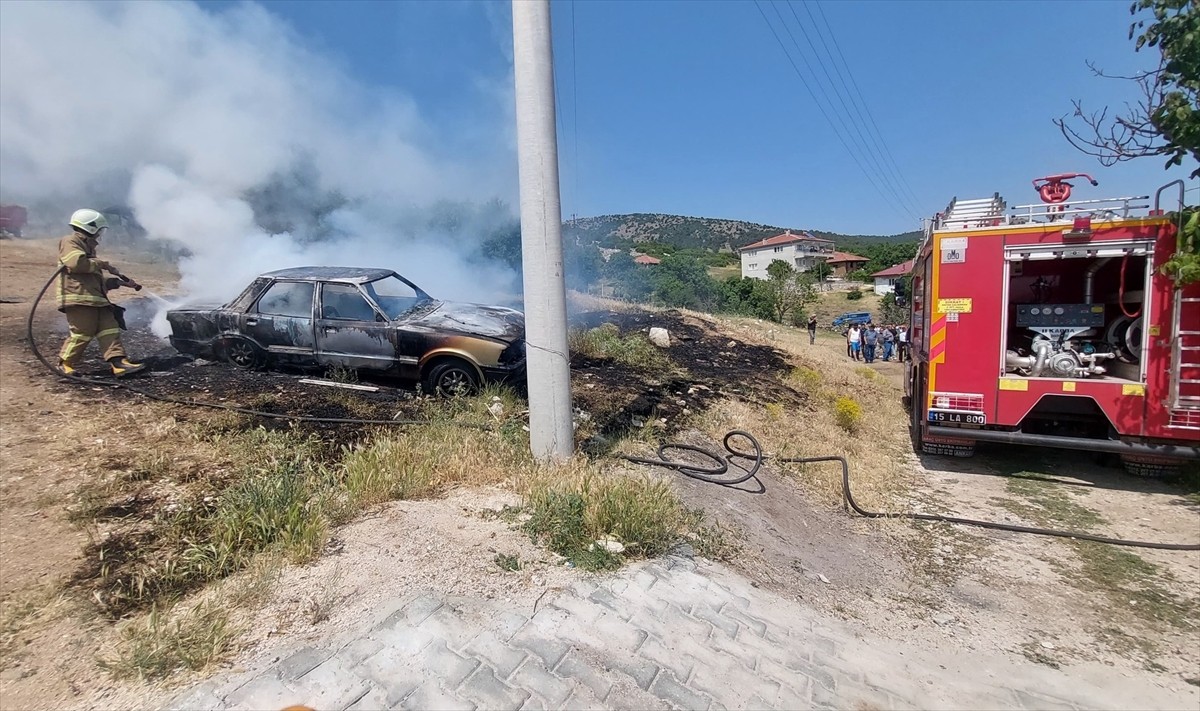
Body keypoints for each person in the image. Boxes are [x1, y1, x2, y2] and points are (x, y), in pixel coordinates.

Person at [57, 209, 145, 376]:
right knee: (83, 332)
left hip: (96, 300)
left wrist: (119, 282)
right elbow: (76, 264)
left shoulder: (89, 249)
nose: (100, 233)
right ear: (90, 227)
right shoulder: (70, 241)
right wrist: (103, 264)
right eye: (99, 229)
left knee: (110, 329)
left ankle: (118, 363)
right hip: (80, 299)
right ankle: (65, 363)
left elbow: (94, 281)